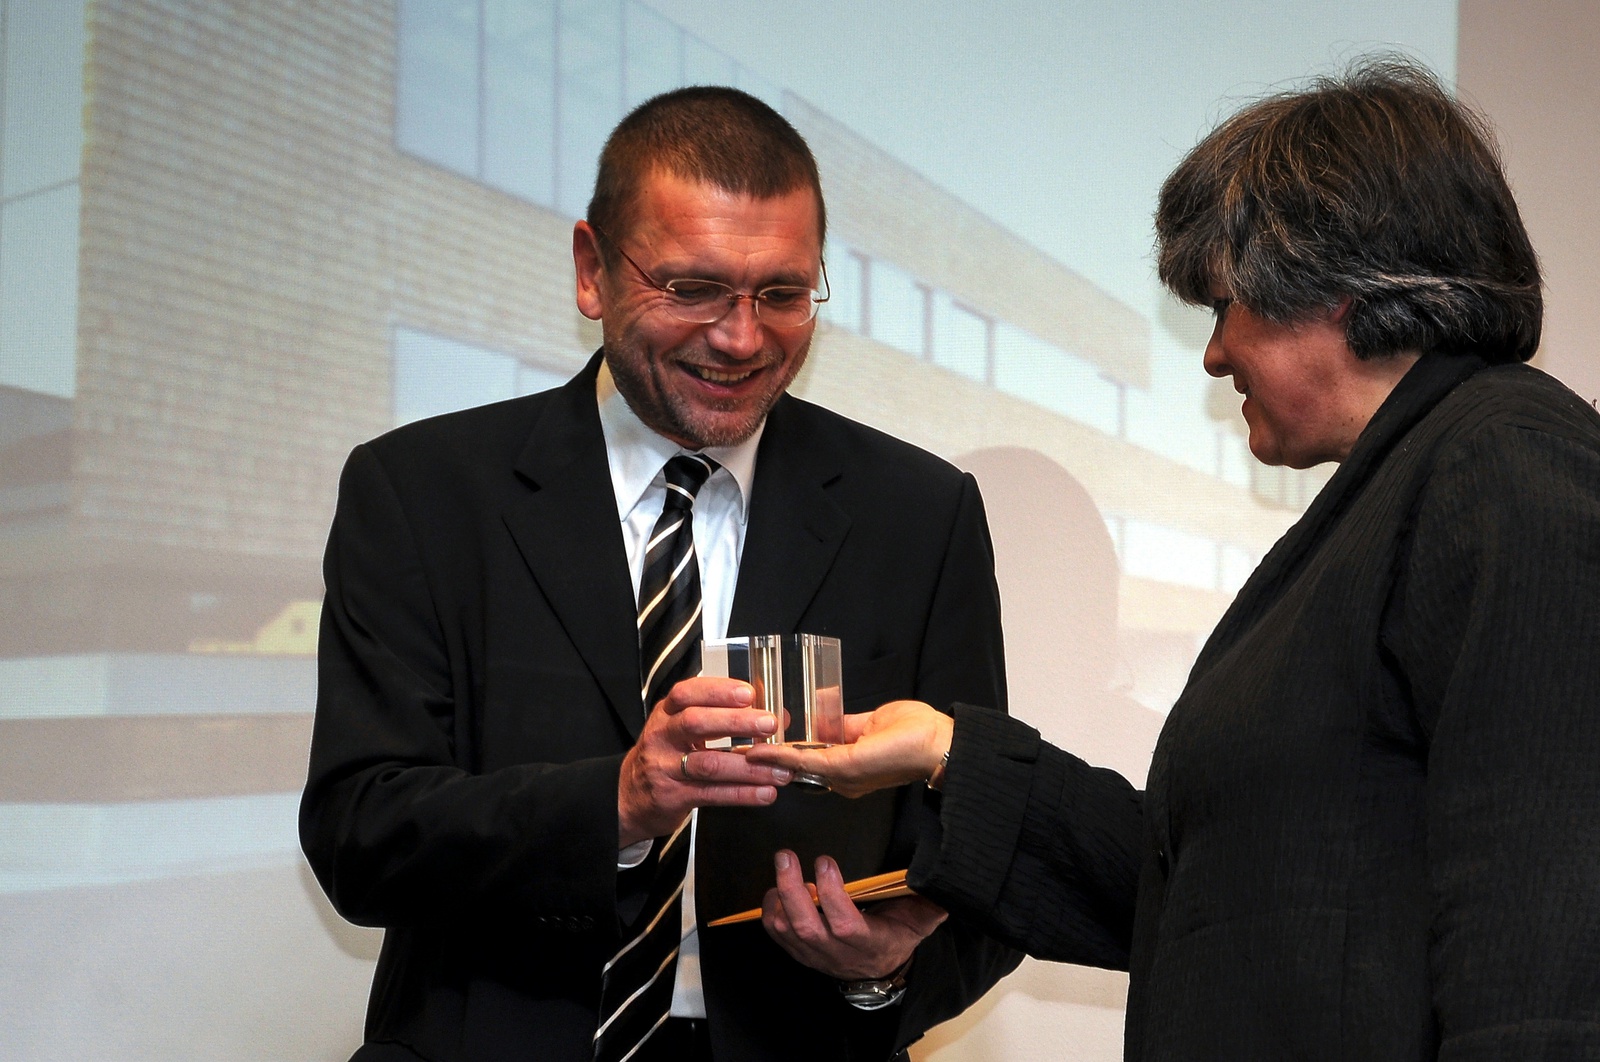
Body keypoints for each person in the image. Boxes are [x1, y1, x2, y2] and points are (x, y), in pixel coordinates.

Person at [751, 60, 1600, 1061]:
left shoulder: (1502, 461)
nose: (1213, 354)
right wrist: (947, 751)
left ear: (1333, 288)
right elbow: (1209, 893)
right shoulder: (1408, 486)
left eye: (1224, 305)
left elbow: (1547, 924)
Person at [300, 86, 1018, 1062]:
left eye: (781, 295)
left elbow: (987, 861)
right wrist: (617, 803)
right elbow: (361, 833)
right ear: (591, 270)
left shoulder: (920, 515)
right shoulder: (423, 492)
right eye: (693, 288)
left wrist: (880, 974)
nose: (741, 338)